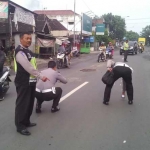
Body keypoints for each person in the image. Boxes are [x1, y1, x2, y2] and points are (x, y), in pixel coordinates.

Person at [14, 32, 49, 136]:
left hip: (31, 82)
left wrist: (38, 75)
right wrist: (40, 76)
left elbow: (34, 66)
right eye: (26, 38)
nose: (29, 40)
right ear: (21, 40)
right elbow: (28, 67)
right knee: (22, 104)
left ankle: (26, 122)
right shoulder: (20, 52)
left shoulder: (28, 51)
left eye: (30, 38)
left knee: (29, 103)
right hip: (23, 82)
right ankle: (20, 126)